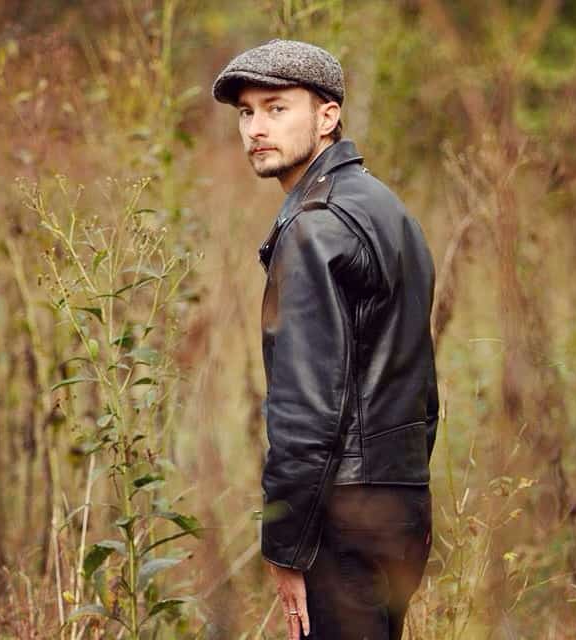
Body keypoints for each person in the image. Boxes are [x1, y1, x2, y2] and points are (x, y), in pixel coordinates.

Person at [212, 39, 439, 640]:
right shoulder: (390, 212)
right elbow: (422, 388)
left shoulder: (315, 226)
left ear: (328, 115)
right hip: (400, 503)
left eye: (277, 107)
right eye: (246, 112)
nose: (257, 128)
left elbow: (306, 410)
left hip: (340, 517)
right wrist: (402, 490)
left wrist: (288, 544)